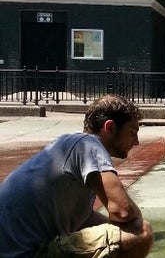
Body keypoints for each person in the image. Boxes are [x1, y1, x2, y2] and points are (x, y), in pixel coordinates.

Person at [0, 94, 154, 257]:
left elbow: (84, 220)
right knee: (142, 233)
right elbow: (122, 211)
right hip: (27, 254)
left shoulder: (70, 146)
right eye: (132, 132)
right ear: (110, 127)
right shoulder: (87, 144)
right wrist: (136, 225)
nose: (136, 141)